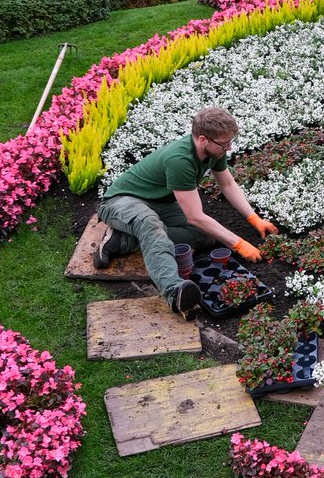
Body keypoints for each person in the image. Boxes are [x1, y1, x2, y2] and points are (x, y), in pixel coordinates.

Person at [93, 107, 279, 319]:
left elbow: (227, 184)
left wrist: (254, 218)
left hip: (157, 202)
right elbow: (195, 216)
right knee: (150, 224)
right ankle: (175, 292)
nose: (229, 148)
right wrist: (238, 244)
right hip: (120, 202)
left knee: (206, 236)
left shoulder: (214, 151)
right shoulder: (180, 160)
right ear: (203, 139)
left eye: (230, 141)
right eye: (224, 144)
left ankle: (122, 240)